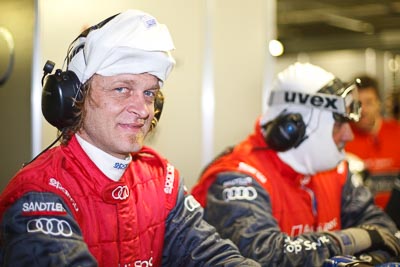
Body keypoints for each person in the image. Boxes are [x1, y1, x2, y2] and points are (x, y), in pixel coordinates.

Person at [0, 10, 261, 267]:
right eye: (122, 89)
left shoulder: (160, 179)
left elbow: (211, 255)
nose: (143, 109)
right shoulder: (39, 193)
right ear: (73, 98)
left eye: (149, 93)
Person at [191, 62, 400, 266]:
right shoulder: (237, 177)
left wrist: (368, 260)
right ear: (293, 127)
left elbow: (384, 230)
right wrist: (353, 239)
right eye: (338, 124)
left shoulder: (336, 170)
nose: (349, 135)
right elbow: (264, 255)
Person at [345, 75, 400, 209]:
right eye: (358, 104)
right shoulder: (344, 138)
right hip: (359, 222)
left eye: (369, 102)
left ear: (379, 103)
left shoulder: (396, 133)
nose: (363, 110)